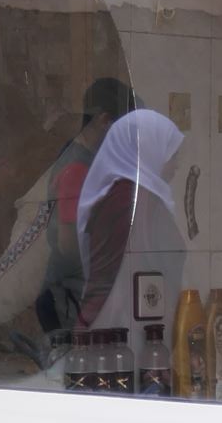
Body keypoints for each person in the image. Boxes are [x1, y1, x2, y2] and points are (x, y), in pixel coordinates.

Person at [37, 77, 137, 338]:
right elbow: (68, 245)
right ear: (104, 121)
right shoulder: (77, 170)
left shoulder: (77, 154)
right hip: (66, 299)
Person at [77, 110, 186, 347]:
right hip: (126, 330)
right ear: (150, 152)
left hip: (104, 321)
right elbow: (157, 263)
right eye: (172, 155)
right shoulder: (138, 200)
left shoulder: (117, 194)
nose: (176, 165)